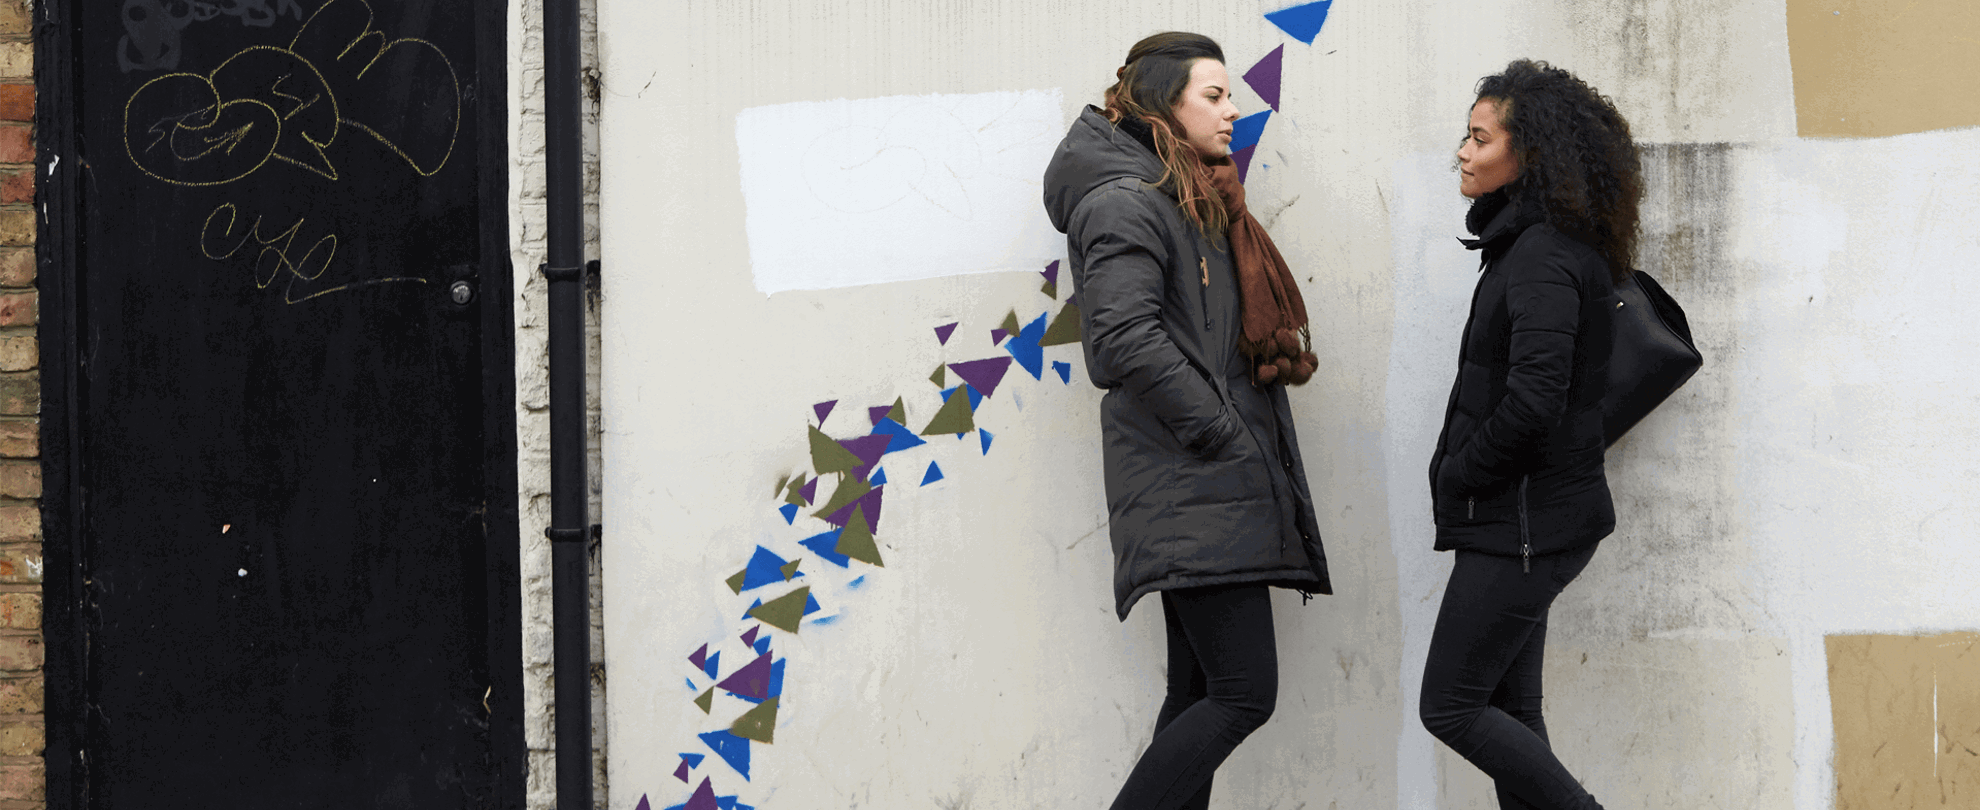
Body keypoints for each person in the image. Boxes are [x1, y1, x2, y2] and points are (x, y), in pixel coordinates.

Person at [1042, 31, 1331, 810]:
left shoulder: (1187, 196)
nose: (1233, 110)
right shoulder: (1125, 202)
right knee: (1243, 694)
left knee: (1198, 691)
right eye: (1215, 95)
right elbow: (1121, 339)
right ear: (1165, 102)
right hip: (1193, 476)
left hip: (1201, 485)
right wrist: (1219, 429)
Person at [1420, 59, 1643, 810]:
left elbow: (1535, 400)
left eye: (1480, 138)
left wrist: (1460, 472)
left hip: (1520, 523)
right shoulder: (1530, 246)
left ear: (1530, 154)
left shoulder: (1544, 255)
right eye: (1466, 135)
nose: (1464, 150)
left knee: (1449, 706)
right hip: (1525, 518)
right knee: (1511, 713)